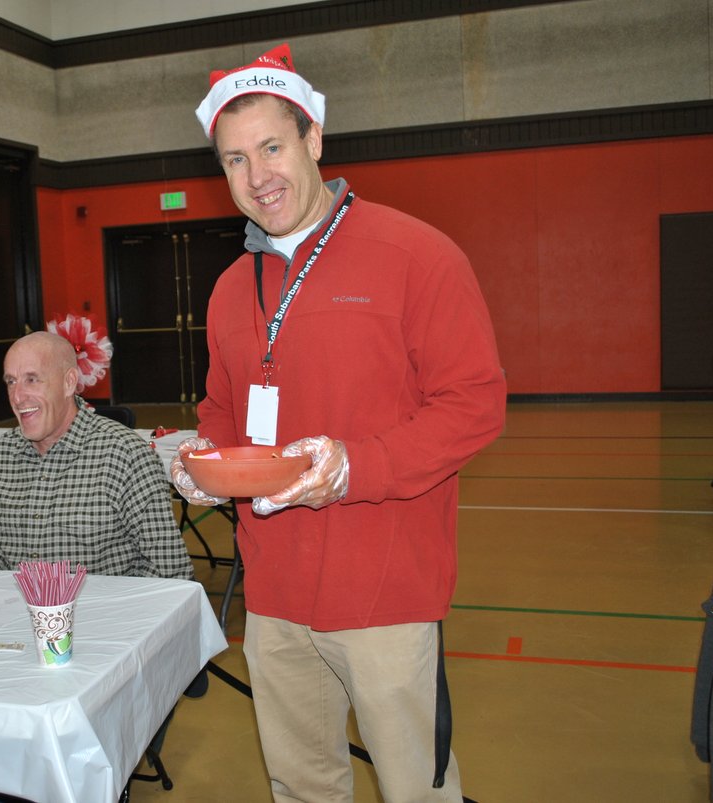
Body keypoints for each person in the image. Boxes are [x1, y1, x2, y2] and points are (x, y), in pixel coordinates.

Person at [172, 44, 507, 802]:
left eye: (272, 147)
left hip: (384, 594)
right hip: (275, 596)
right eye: (234, 160)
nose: (258, 177)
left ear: (314, 139)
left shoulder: (417, 255)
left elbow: (476, 403)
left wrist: (358, 465)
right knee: (301, 785)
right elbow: (221, 412)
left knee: (414, 786)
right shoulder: (229, 290)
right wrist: (198, 462)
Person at [0, 331, 193, 581]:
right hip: (13, 614)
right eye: (11, 382)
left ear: (69, 382)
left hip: (101, 615)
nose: (17, 396)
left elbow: (169, 570)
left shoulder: (126, 456)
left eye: (32, 379)